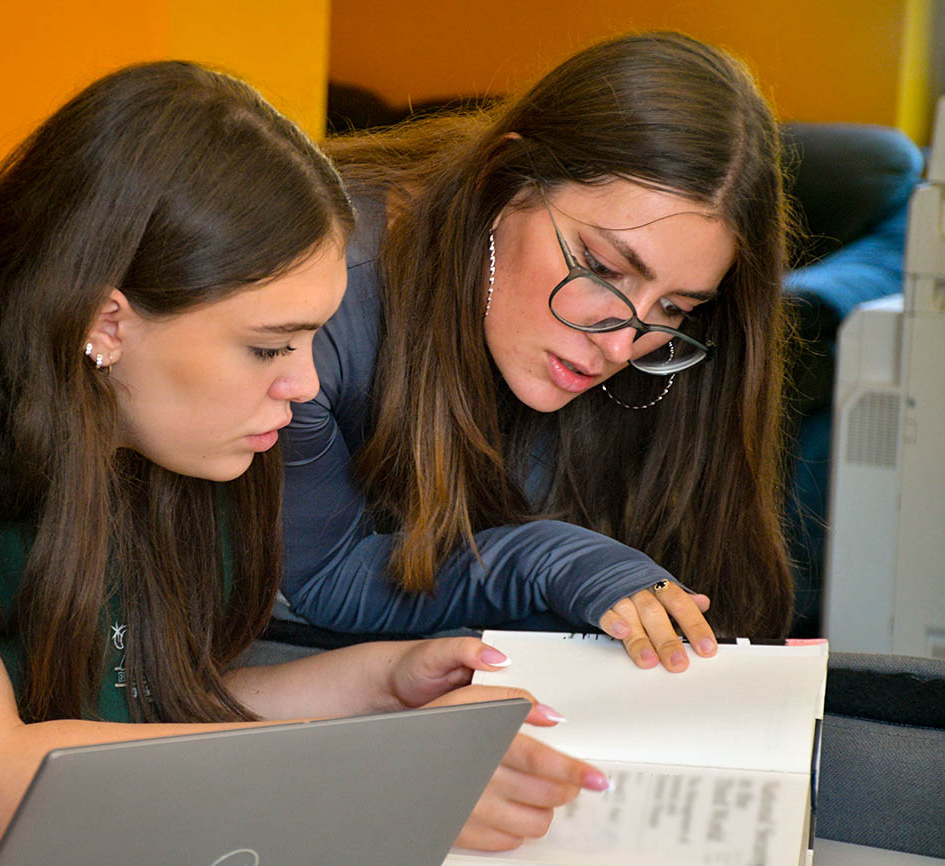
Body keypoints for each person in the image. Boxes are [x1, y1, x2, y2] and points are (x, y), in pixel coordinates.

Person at [0, 61, 607, 864]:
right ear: (106, 320)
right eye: (269, 346)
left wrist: (371, 688)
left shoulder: (152, 430)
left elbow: (136, 712)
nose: (306, 386)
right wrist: (370, 773)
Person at [279, 32, 795, 671]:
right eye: (601, 267)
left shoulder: (663, 359)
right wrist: (554, 559)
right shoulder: (311, 297)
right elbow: (327, 579)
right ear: (504, 184)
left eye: (675, 308)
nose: (621, 344)